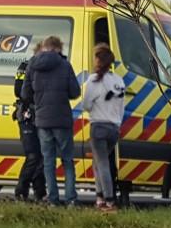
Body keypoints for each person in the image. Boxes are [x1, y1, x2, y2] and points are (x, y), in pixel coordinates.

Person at [22, 35, 81, 206]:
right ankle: (71, 199)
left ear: (44, 47)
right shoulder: (65, 65)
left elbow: (25, 94)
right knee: (67, 160)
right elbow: (74, 92)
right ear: (57, 48)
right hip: (62, 119)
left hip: (43, 121)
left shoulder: (32, 66)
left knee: (48, 161)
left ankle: (53, 199)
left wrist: (39, 100)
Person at [82, 43, 126, 212]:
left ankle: (109, 200)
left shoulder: (94, 80)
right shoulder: (118, 80)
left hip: (98, 126)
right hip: (114, 127)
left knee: (102, 164)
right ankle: (99, 197)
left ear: (98, 60)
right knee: (98, 162)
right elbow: (122, 106)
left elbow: (86, 105)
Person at [12, 49, 46, 202]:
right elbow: (18, 90)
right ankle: (21, 190)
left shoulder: (46, 69)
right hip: (27, 115)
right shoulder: (25, 66)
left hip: (42, 115)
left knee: (41, 156)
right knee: (33, 155)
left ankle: (40, 193)